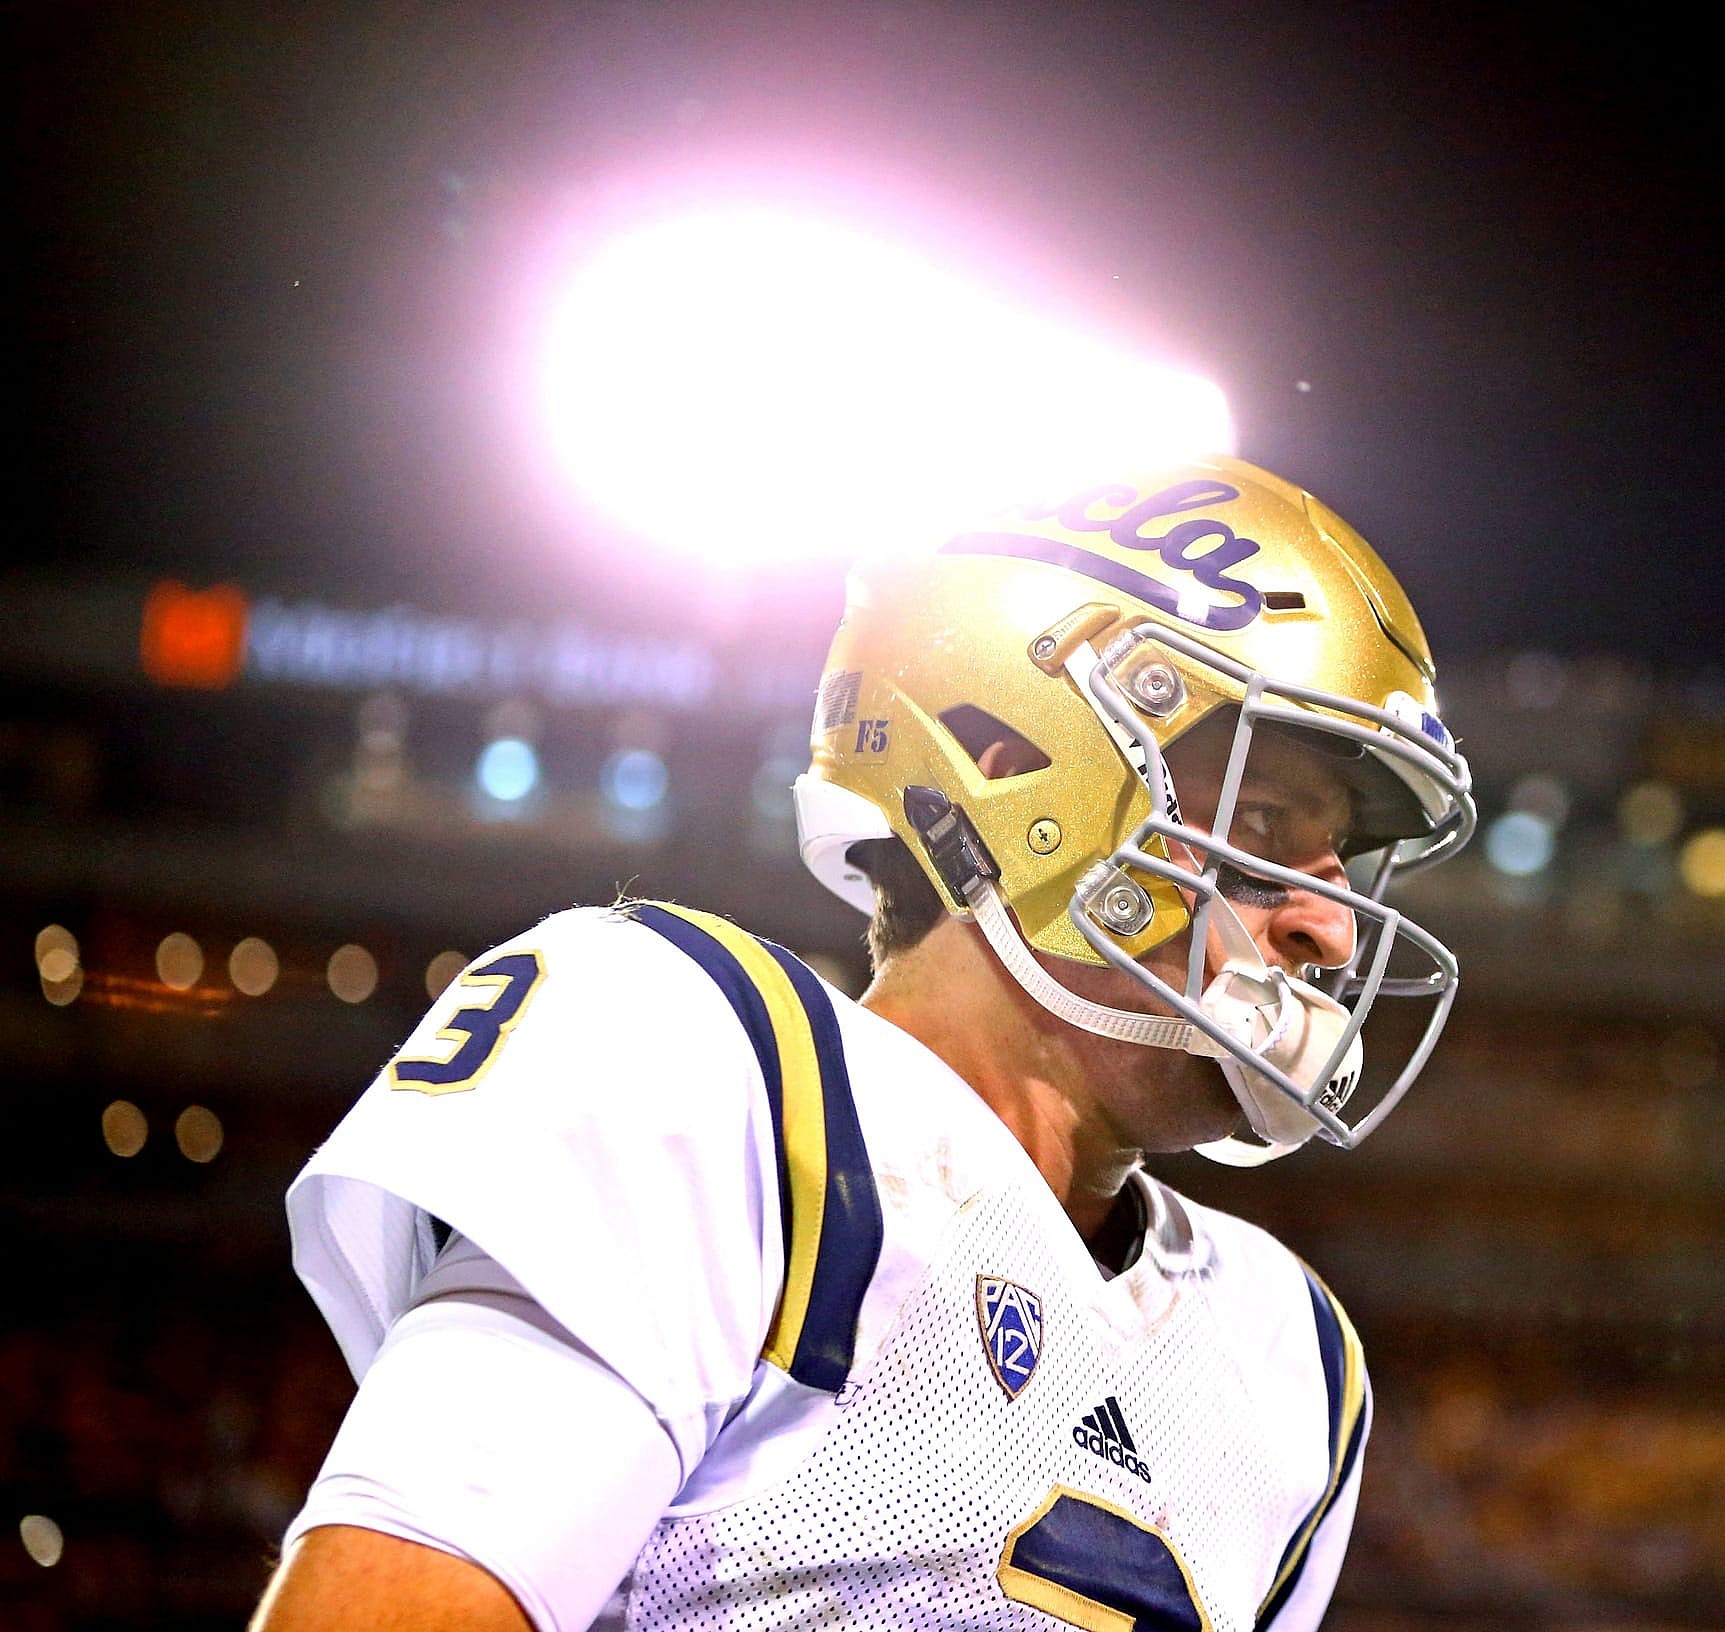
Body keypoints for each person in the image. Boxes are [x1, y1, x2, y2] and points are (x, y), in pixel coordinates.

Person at [250, 457, 1475, 1632]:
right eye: (1261, 822)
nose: (1325, 925)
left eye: (1335, 865)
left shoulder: (1289, 1354)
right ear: (1010, 766)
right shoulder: (717, 1063)